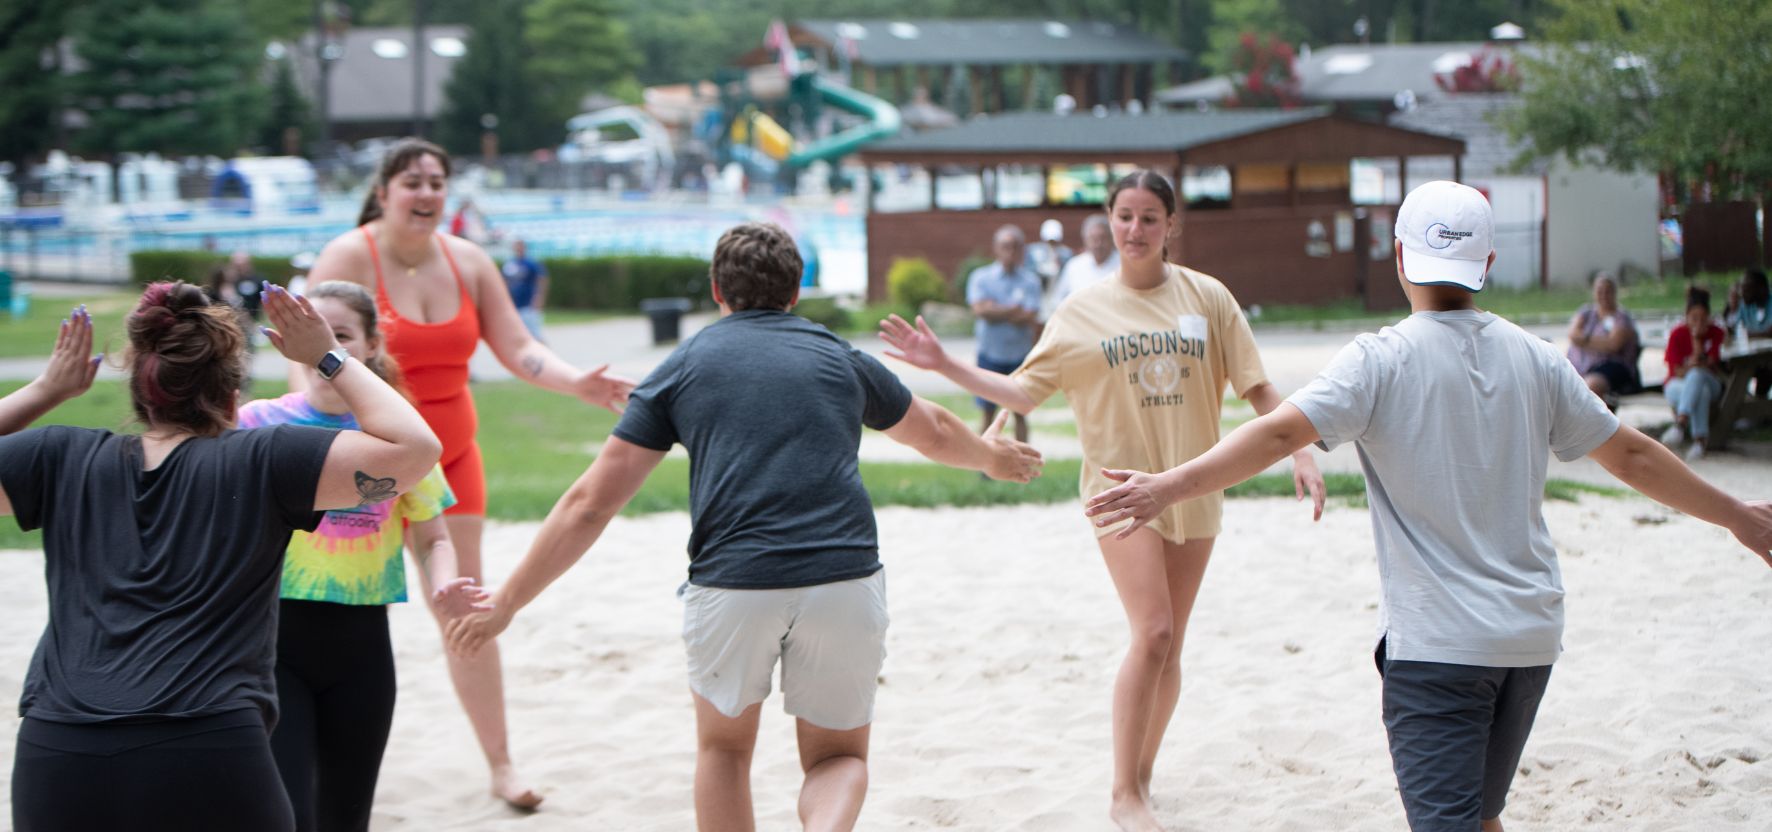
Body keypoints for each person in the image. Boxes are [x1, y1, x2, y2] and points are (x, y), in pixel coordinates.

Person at [1083, 180, 1772, 832]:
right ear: (1489, 263)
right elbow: (1633, 455)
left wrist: (1163, 487)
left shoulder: (1380, 360)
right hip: (1530, 640)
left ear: (1401, 255)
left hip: (1440, 651)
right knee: (1478, 814)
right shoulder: (1536, 358)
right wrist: (1737, 517)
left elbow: (1277, 432)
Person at [444, 222, 1044, 831]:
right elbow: (935, 429)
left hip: (733, 584)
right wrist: (991, 458)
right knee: (838, 757)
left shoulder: (684, 366)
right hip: (842, 577)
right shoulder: (836, 355)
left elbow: (589, 503)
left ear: (716, 291)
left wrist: (509, 602)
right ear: (794, 294)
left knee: (724, 751)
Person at [880, 170, 1325, 832]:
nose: (1136, 229)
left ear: (1172, 224)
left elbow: (1259, 390)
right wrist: (943, 365)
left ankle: (1142, 777)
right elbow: (1023, 392)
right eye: (1125, 216)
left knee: (1171, 650)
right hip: (1118, 492)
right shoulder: (1082, 311)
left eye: (1150, 217)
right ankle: (1123, 792)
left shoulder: (1210, 298)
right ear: (1109, 222)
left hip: (1193, 487)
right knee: (1154, 631)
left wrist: (1300, 448)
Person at [0, 282, 443, 831]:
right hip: (207, 747)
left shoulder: (59, 456)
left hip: (60, 753)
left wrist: (45, 390)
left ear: (142, 388)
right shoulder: (264, 461)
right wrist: (327, 357)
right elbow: (415, 451)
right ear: (234, 395)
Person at [304, 138, 636, 809]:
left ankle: (501, 765)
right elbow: (309, 354)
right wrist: (310, 433)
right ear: (385, 190)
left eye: (437, 182)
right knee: (332, 606)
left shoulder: (470, 261)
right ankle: (315, 759)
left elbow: (516, 346)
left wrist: (578, 383)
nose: (427, 194)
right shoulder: (347, 255)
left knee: (464, 603)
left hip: (450, 462)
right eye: (413, 182)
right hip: (361, 457)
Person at [239, 281, 492, 832]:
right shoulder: (257, 423)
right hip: (273, 644)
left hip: (362, 651)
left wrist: (445, 582)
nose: (319, 348)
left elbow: (434, 538)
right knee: (290, 815)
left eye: (338, 337)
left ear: (373, 344)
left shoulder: (402, 439)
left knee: (346, 817)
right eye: (310, 335)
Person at [965, 225, 1043, 443]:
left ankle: (1024, 463)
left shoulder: (1030, 281)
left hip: (1020, 357)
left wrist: (995, 308)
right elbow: (980, 310)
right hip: (989, 354)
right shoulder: (981, 277)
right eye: (1006, 246)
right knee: (987, 412)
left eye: (1016, 247)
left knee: (1021, 412)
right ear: (996, 249)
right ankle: (985, 464)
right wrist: (1012, 309)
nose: (1011, 251)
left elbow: (1029, 315)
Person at [1659, 288, 1727, 461]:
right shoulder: (1677, 333)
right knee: (1699, 390)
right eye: (1694, 318)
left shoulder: (1717, 333)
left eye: (1703, 319)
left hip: (1712, 382)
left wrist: (1697, 341)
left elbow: (1711, 364)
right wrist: (1693, 365)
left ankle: (1680, 424)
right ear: (1686, 316)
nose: (1698, 323)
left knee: (1698, 374)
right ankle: (1700, 441)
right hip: (1678, 385)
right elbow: (1677, 371)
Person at [1563, 272, 1641, 406]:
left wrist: (1585, 340)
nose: (1604, 295)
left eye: (1608, 291)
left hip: (1613, 368)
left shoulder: (1621, 317)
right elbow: (1572, 335)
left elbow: (1614, 344)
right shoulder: (1586, 313)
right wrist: (1601, 341)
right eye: (1600, 291)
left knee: (1591, 386)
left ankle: (1594, 423)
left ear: (1615, 293)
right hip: (1582, 367)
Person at [1048, 213, 1120, 315]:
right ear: (1085, 240)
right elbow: (1057, 301)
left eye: (1103, 238)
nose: (1098, 244)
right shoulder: (1074, 266)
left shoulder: (1124, 265)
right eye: (1093, 239)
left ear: (1112, 239)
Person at [501, 238, 549, 342]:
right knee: (515, 335)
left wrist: (539, 298)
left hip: (528, 304)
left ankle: (545, 355)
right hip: (514, 304)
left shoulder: (531, 263)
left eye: (520, 245)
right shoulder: (510, 264)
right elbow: (504, 282)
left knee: (535, 334)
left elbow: (541, 280)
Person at [1025, 217, 1074, 289]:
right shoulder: (1033, 252)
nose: (1051, 244)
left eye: (1054, 241)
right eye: (1049, 241)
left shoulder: (1066, 254)